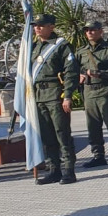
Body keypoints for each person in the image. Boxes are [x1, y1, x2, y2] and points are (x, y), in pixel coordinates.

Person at [30, 14, 80, 185]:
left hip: (55, 96)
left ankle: (68, 171)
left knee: (62, 134)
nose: (37, 28)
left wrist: (67, 96)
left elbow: (71, 72)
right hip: (38, 97)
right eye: (35, 25)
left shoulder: (61, 46)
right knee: (47, 136)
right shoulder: (33, 47)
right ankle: (54, 170)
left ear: (51, 26)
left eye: (41, 25)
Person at [76, 21, 108, 168]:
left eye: (92, 30)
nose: (89, 32)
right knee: (93, 127)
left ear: (100, 31)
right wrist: (79, 75)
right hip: (89, 92)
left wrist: (99, 74)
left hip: (105, 91)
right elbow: (74, 69)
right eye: (87, 30)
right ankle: (98, 156)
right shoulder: (81, 51)